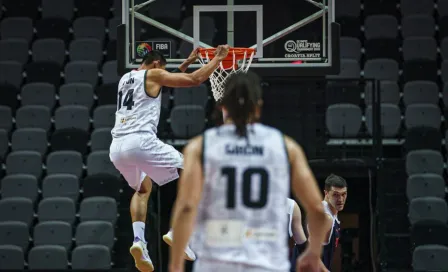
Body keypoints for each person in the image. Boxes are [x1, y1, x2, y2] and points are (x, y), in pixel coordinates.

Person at [168, 71, 331, 272]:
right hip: (267, 266)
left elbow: (186, 207)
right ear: (258, 106)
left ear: (222, 106)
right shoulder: (285, 147)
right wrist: (313, 253)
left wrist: (175, 266)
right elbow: (316, 209)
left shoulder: (200, 147)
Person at [109, 45, 230, 272]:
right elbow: (194, 80)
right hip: (141, 142)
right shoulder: (155, 74)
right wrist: (218, 59)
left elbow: (167, 78)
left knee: (143, 189)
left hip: (117, 148)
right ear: (156, 64)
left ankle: (139, 242)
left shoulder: (126, 78)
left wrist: (187, 61)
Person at [290, 174, 347, 272]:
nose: (341, 199)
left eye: (343, 194)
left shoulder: (330, 214)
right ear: (326, 193)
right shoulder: (325, 218)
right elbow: (310, 251)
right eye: (336, 195)